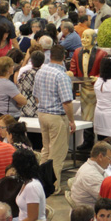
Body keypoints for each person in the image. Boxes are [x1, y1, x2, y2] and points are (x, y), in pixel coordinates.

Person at [34, 45, 77, 181]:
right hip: (56, 117)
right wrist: (71, 120)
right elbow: (67, 102)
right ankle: (53, 186)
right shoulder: (61, 76)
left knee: (46, 151)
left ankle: (40, 181)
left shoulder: (40, 71)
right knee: (57, 154)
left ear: (50, 56)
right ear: (64, 57)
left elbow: (36, 96)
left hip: (42, 114)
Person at [70, 141, 111, 206]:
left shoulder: (92, 167)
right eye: (109, 158)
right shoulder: (91, 175)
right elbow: (106, 200)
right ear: (100, 157)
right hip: (89, 213)